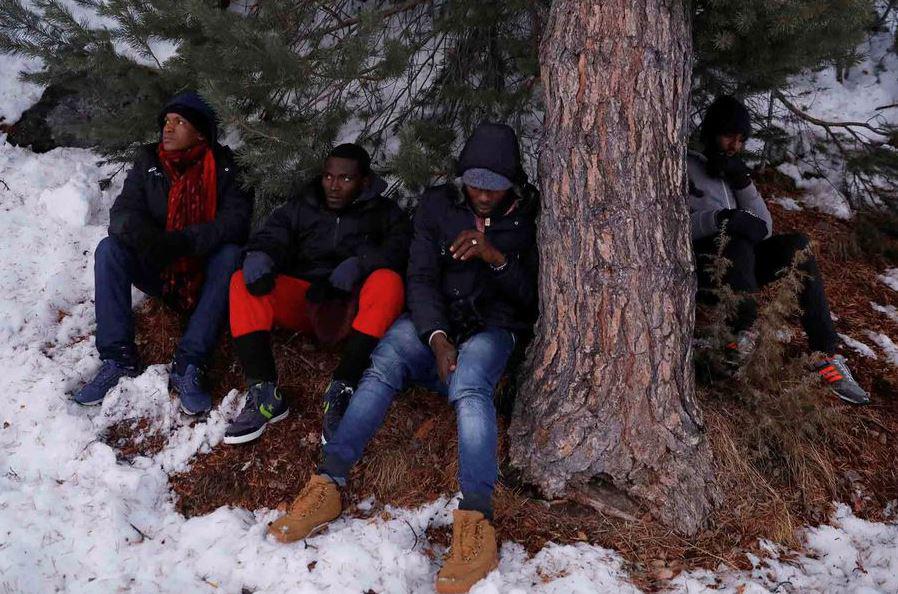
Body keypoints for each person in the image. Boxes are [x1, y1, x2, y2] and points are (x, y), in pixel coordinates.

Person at [264, 123, 539, 594]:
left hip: (494, 327)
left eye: (493, 186)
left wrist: (495, 258)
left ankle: (476, 521)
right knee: (386, 360)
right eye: (474, 183)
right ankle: (328, 483)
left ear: (511, 183)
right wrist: (434, 336)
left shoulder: (528, 218)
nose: (482, 195)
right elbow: (421, 275)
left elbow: (531, 301)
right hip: (436, 321)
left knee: (472, 384)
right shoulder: (438, 206)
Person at [74, 91, 252, 414]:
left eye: (179, 122)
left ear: (200, 132)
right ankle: (118, 358)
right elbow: (123, 213)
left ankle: (189, 363)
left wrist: (183, 241)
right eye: (166, 121)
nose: (167, 129)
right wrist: (148, 238)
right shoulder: (149, 163)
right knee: (109, 250)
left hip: (205, 273)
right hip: (160, 266)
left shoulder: (226, 169)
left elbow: (235, 223)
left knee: (230, 255)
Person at [224, 143, 410, 445]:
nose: (333, 186)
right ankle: (264, 394)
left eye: (345, 179)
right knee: (241, 281)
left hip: (355, 311)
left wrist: (361, 263)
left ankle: (343, 388)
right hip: (307, 301)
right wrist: (260, 254)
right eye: (328, 176)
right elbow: (273, 235)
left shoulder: (384, 213)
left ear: (364, 182)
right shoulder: (303, 206)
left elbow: (401, 249)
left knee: (388, 282)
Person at [689, 95, 868, 404]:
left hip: (743, 267)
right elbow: (667, 227)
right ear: (711, 132)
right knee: (735, 235)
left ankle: (824, 354)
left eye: (742, 139)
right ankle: (738, 337)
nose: (734, 145)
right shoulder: (685, 164)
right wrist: (720, 219)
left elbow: (765, 227)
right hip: (703, 268)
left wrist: (742, 182)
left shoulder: (734, 171)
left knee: (796, 245)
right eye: (728, 135)